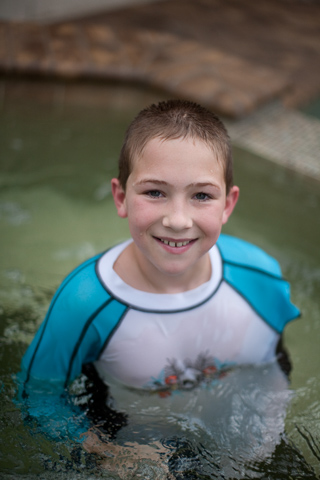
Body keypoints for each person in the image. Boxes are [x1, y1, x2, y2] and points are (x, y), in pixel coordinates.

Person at [19, 100, 300, 459]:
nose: (178, 220)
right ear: (121, 197)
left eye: (201, 195)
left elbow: (276, 361)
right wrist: (106, 453)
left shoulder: (258, 276)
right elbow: (37, 396)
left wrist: (265, 434)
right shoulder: (85, 302)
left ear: (228, 205)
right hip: (136, 444)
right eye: (155, 192)